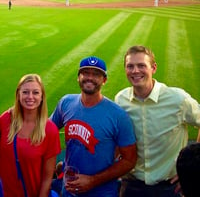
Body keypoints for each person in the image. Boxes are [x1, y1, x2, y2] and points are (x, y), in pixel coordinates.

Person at [115, 45, 200, 197]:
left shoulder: (178, 99)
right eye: (130, 66)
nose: (135, 71)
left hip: (169, 187)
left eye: (141, 65)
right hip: (131, 186)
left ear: (153, 68)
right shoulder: (121, 100)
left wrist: (195, 163)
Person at [50, 56, 137, 197]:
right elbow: (46, 131)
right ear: (78, 77)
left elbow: (129, 160)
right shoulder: (66, 103)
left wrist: (93, 180)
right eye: (86, 73)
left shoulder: (118, 115)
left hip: (102, 192)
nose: (90, 78)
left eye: (96, 74)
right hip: (69, 191)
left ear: (104, 80)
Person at [0, 74, 61, 197]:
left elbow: (47, 177)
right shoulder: (5, 120)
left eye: (36, 92)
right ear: (18, 95)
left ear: (42, 97)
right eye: (25, 92)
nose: (30, 97)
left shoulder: (49, 130)